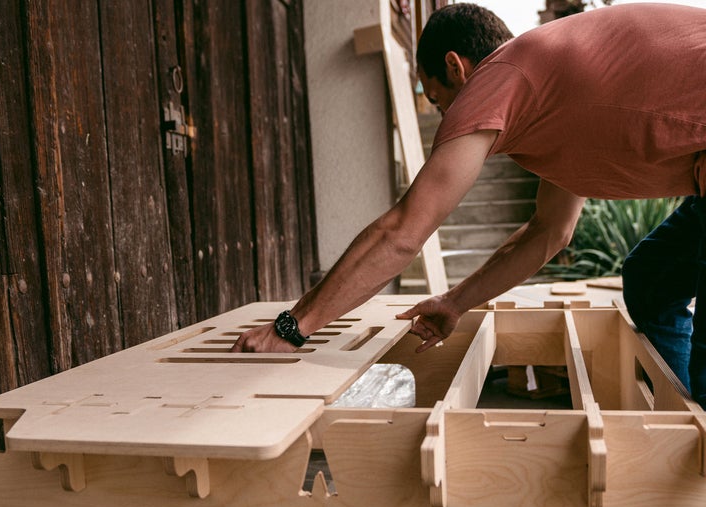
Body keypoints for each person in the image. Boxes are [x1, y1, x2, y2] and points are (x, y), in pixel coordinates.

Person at [231, 3, 706, 407]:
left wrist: (292, 327)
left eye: (439, 102)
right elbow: (548, 232)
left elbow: (403, 231)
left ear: (458, 67)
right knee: (653, 278)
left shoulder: (502, 73)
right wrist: (455, 302)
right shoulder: (554, 89)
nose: (447, 118)